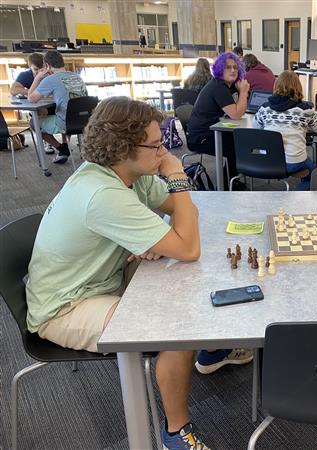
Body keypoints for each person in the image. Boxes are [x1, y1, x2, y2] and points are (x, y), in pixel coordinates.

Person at [25, 97, 211, 450]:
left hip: (104, 278)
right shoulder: (102, 192)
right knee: (178, 329)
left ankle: (213, 348)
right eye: (156, 146)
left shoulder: (129, 174)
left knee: (189, 280)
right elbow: (188, 244)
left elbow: (181, 210)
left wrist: (159, 235)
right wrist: (175, 175)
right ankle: (175, 432)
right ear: (123, 147)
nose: (164, 152)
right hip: (66, 306)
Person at [253, 70, 317, 190]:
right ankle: (295, 198)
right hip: (294, 162)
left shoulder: (265, 108)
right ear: (298, 87)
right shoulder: (306, 110)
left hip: (267, 160)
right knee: (313, 175)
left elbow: (255, 128)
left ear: (276, 86)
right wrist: (303, 125)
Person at [186, 51, 249, 190]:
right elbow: (237, 114)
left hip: (210, 130)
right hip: (200, 138)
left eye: (235, 67)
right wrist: (243, 92)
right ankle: (228, 185)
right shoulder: (218, 87)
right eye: (228, 67)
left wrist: (240, 93)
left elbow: (239, 109)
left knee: (238, 143)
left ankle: (231, 181)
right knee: (237, 147)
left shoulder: (225, 86)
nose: (233, 70)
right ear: (220, 69)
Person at [28, 50, 87, 164]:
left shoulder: (50, 79)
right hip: (83, 120)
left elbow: (31, 98)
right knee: (60, 111)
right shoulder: (77, 77)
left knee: (33, 122)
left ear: (47, 66)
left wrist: (38, 77)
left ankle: (61, 148)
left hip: (66, 122)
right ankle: (64, 146)